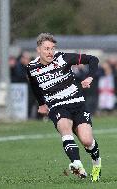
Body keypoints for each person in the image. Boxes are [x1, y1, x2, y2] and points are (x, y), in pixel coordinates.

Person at [26, 33, 101, 182]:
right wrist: (41, 104)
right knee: (65, 128)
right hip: (57, 106)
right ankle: (77, 164)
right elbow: (35, 86)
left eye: (52, 48)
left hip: (77, 103)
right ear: (38, 50)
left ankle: (97, 164)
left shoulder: (63, 58)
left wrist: (90, 77)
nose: (50, 52)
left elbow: (93, 59)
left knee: (87, 141)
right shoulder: (31, 68)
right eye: (46, 48)